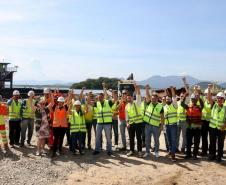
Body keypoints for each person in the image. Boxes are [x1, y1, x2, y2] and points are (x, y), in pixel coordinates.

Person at [143, 85, 164, 158]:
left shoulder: (160, 106)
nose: (152, 100)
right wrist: (146, 89)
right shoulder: (149, 103)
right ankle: (147, 152)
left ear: (157, 99)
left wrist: (161, 126)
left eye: (154, 98)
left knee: (156, 140)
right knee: (147, 140)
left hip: (156, 126)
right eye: (152, 98)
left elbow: (162, 117)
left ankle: (156, 152)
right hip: (148, 125)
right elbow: (147, 95)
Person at [93, 83, 114, 156]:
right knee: (97, 137)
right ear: (98, 98)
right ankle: (97, 150)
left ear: (103, 97)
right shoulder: (96, 103)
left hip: (107, 123)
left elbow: (107, 96)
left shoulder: (108, 102)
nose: (100, 98)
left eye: (101, 97)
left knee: (108, 137)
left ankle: (109, 150)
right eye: (99, 97)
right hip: (99, 123)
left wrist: (104, 87)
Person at [181, 93, 204, 160]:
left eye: (194, 99)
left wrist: (199, 97)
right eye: (192, 99)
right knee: (188, 142)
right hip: (189, 128)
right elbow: (182, 104)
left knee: (196, 142)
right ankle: (188, 154)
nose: (193, 101)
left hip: (197, 128)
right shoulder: (188, 107)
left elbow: (202, 104)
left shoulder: (199, 108)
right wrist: (184, 97)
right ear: (191, 100)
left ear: (196, 100)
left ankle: (195, 155)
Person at [126, 84, 143, 158]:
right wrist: (127, 123)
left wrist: (137, 88)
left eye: (130, 98)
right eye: (128, 98)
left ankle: (139, 151)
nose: (129, 99)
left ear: (132, 98)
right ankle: (131, 150)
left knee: (139, 138)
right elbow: (127, 117)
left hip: (138, 123)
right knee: (131, 138)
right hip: (131, 124)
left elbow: (139, 95)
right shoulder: (127, 106)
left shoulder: (137, 103)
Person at [208, 91, 226, 162]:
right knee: (212, 142)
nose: (219, 99)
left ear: (223, 100)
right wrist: (209, 89)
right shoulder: (214, 105)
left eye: (221, 98)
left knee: (220, 143)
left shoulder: (225, 108)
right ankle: (212, 155)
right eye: (218, 98)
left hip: (222, 129)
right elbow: (209, 98)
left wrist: (224, 126)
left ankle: (219, 157)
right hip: (212, 128)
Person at [164, 87, 178, 162]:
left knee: (173, 140)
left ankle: (173, 155)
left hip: (173, 125)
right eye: (167, 99)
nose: (168, 100)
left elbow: (174, 97)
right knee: (168, 140)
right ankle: (170, 150)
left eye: (169, 99)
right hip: (167, 125)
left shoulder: (174, 105)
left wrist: (172, 90)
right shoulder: (165, 107)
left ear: (171, 100)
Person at [201, 86, 212, 156]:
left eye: (207, 94)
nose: (206, 95)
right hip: (203, 121)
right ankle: (204, 151)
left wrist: (208, 89)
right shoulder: (203, 101)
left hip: (210, 122)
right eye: (205, 94)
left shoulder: (212, 101)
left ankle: (211, 152)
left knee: (211, 138)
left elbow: (209, 98)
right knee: (204, 137)